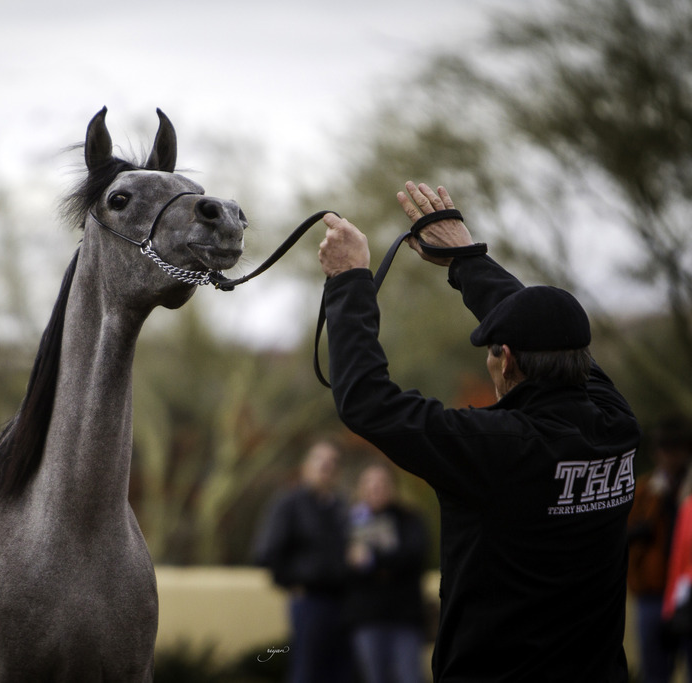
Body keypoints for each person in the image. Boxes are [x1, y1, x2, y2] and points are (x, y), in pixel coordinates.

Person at [317, 181, 641, 682]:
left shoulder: (500, 449)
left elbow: (369, 403)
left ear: (505, 359)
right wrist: (466, 258)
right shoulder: (616, 424)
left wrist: (348, 280)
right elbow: (549, 332)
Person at [254, 440, 355, 683]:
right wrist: (291, 582)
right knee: (308, 670)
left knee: (341, 672)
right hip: (310, 600)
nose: (326, 466)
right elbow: (267, 551)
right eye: (319, 459)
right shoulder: (289, 503)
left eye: (332, 462)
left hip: (344, 601)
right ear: (305, 466)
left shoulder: (341, 507)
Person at [346, 463, 428, 683]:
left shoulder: (409, 519)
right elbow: (342, 565)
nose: (376, 488)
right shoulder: (350, 521)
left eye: (381, 483)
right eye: (370, 483)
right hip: (367, 617)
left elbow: (414, 556)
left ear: (393, 487)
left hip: (404, 617)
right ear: (361, 487)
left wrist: (371, 559)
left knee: (409, 676)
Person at [629, 416, 692, 683]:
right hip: (652, 594)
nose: (668, 455)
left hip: (688, 596)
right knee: (654, 673)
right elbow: (625, 536)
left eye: (675, 448)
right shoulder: (645, 490)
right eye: (663, 448)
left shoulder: (688, 491)